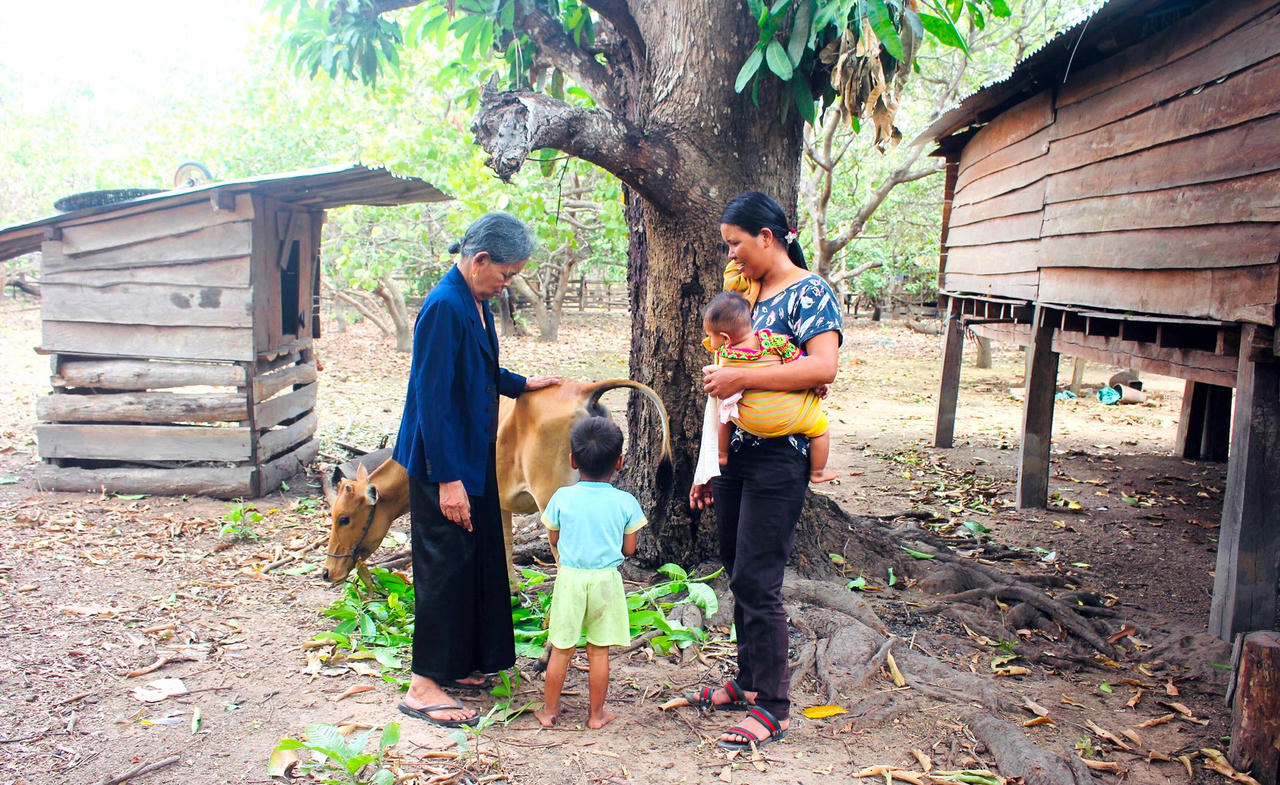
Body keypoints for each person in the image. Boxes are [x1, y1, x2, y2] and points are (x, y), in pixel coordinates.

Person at [393, 212, 561, 729]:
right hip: (442, 457)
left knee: (478, 556)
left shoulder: (476, 301)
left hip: (471, 449)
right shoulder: (444, 306)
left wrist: (520, 384)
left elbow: (480, 367)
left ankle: (461, 663)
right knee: (444, 566)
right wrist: (447, 480)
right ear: (480, 259)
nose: (507, 284)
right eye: (506, 274)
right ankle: (423, 684)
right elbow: (433, 395)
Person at [689, 192, 843, 751]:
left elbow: (823, 366)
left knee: (759, 577)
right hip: (737, 453)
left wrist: (746, 380)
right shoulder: (746, 294)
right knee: (735, 566)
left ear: (767, 238)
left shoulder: (811, 293)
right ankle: (748, 681)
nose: (732, 254)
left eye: (736, 243)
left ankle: (774, 706)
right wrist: (710, 465)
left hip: (783, 455)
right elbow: (725, 379)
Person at [534, 417, 646, 730]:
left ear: (572, 460)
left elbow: (554, 538)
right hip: (606, 582)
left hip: (570, 578)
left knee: (561, 647)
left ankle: (549, 712)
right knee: (599, 652)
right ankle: (596, 715)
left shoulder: (562, 498)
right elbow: (630, 549)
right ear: (620, 462)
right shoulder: (626, 502)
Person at [702, 291, 837, 484]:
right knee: (821, 429)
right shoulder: (775, 342)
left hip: (750, 422)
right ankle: (818, 472)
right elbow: (799, 361)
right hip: (789, 419)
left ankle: (722, 454)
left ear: (725, 338)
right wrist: (817, 383)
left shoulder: (725, 355)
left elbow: (715, 356)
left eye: (710, 336)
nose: (709, 342)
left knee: (724, 413)